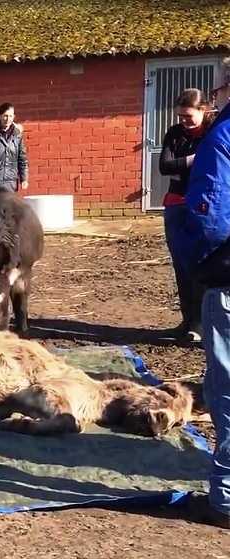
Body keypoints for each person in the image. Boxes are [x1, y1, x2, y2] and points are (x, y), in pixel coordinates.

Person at [171, 79, 230, 529]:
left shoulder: (221, 136)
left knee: (226, 384)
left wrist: (196, 262)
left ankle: (225, 500)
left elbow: (209, 213)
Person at [159, 88, 214, 343]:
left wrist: (181, 164)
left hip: (202, 206)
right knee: (180, 265)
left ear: (203, 111)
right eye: (181, 116)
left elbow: (213, 165)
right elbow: (164, 166)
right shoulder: (174, 133)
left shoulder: (214, 133)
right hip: (176, 204)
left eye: (189, 116)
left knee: (201, 265)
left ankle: (200, 324)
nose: (184, 121)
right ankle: (187, 320)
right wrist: (194, 160)